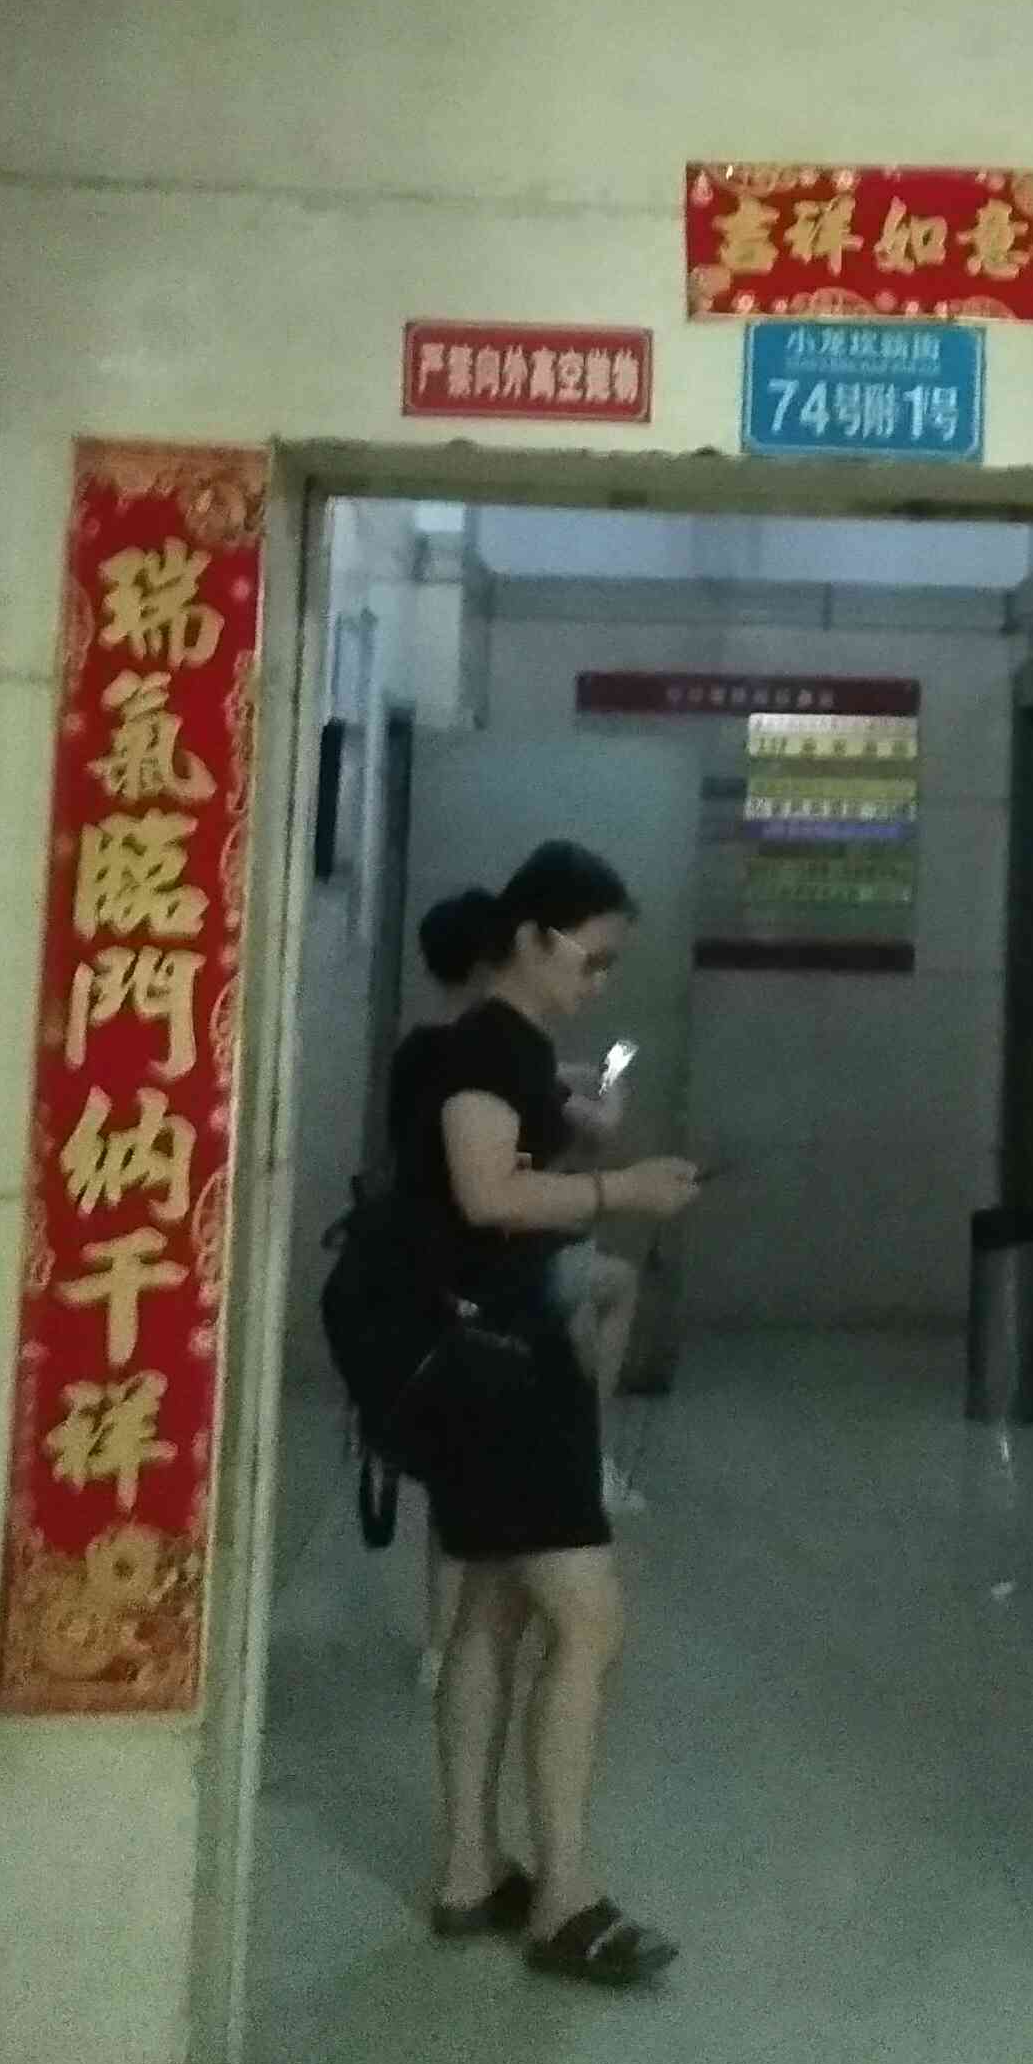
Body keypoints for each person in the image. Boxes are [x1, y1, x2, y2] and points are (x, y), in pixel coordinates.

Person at [387, 840, 700, 1983]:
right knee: (588, 1621)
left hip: (486, 1356)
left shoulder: (508, 1049)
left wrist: (585, 1144)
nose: (599, 981)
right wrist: (623, 1188)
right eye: (592, 957)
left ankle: (471, 1870)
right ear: (532, 935)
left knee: (491, 1613)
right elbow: (486, 1191)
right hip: (501, 1370)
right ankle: (563, 1894)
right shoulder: (483, 1047)